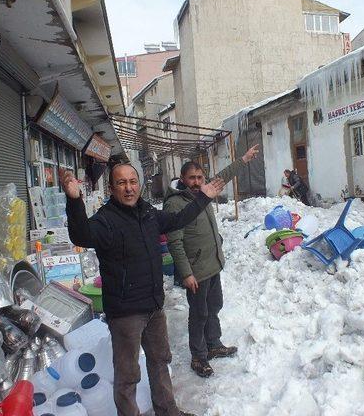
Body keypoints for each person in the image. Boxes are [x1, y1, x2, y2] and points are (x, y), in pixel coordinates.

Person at [61, 164, 225, 416]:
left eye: (132, 181)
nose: (129, 188)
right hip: (126, 313)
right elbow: (82, 235)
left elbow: (178, 219)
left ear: (139, 184)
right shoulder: (106, 220)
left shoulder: (148, 212)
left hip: (153, 306)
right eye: (121, 183)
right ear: (112, 187)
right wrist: (74, 201)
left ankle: (167, 411)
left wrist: (203, 197)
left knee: (160, 361)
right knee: (127, 376)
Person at [163, 145, 260, 378]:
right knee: (199, 313)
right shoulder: (175, 204)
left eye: (199, 177)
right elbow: (174, 243)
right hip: (196, 270)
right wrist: (186, 273)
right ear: (183, 180)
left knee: (214, 306)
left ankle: (213, 343)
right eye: (192, 178)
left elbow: (222, 177)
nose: (196, 182)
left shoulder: (204, 193)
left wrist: (243, 159)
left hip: (212, 264)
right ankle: (198, 356)